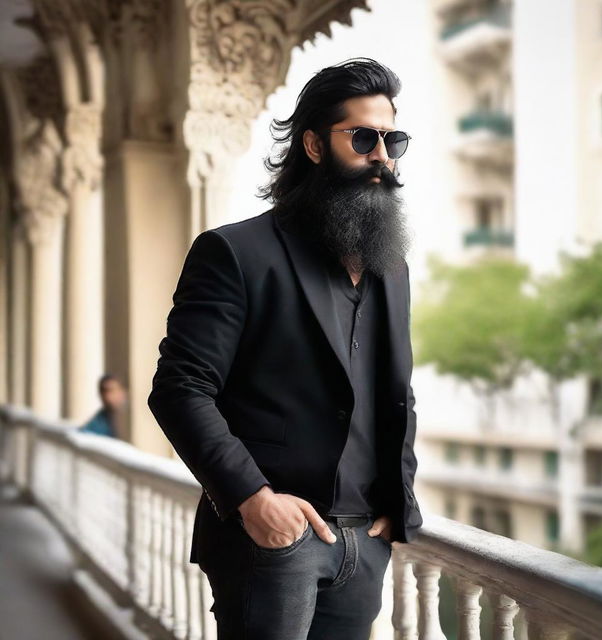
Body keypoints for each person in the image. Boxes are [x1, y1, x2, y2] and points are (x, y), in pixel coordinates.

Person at [147, 57, 423, 640]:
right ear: (315, 146)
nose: (382, 155)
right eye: (363, 138)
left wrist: (395, 505)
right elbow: (180, 388)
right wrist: (254, 500)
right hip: (270, 540)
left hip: (363, 544)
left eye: (392, 139)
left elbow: (396, 393)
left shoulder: (390, 266)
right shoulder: (235, 252)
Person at [78, 374, 127, 438]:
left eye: (112, 390)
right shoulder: (98, 423)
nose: (108, 397)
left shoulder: (129, 415)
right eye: (104, 392)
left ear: (122, 391)